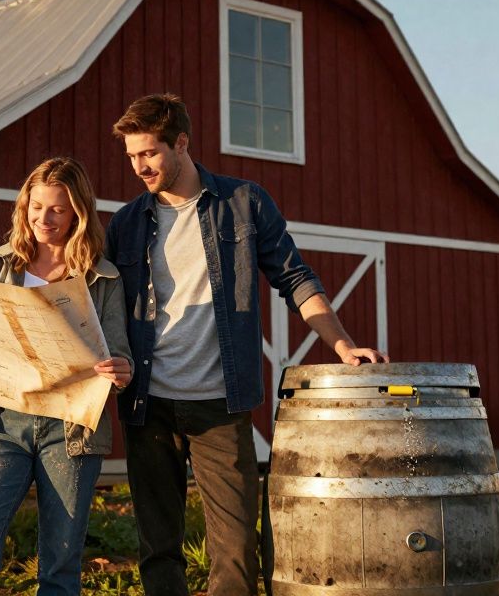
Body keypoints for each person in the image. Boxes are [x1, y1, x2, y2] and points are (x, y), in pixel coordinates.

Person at [105, 93, 386, 595]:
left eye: (148, 153)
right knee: (158, 548)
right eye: (131, 156)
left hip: (220, 404)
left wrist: (342, 345)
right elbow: (92, 299)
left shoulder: (244, 202)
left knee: (236, 550)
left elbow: (296, 278)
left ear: (181, 143)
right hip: (147, 405)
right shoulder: (126, 222)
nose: (138, 166)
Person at [0, 156, 133, 596]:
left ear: (77, 212)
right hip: (1, 423)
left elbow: (120, 354)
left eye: (56, 209)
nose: (44, 218)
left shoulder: (103, 278)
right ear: (24, 206)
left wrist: (121, 370)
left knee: (61, 558)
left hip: (72, 430)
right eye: (36, 207)